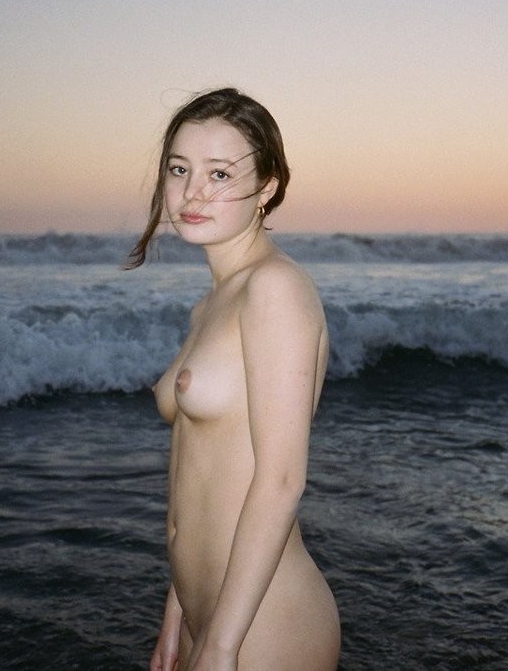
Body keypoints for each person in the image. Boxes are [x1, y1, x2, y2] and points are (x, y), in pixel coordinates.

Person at [127, 88, 340, 670]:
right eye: (180, 169)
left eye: (219, 173)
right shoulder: (213, 303)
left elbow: (281, 479)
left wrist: (221, 648)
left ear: (267, 187)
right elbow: (200, 471)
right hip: (210, 615)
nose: (193, 192)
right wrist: (177, 611)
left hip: (263, 627)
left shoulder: (275, 289)